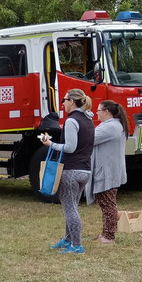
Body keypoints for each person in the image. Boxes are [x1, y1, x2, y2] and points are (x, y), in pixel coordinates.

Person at [40, 89, 94, 254]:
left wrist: (50, 144)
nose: (62, 103)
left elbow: (70, 147)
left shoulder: (72, 121)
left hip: (71, 169)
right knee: (72, 206)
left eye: (64, 100)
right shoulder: (88, 119)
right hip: (84, 170)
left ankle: (77, 245)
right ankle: (68, 239)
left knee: (70, 209)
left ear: (72, 101)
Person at [86, 100, 129, 244]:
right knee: (107, 202)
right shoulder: (115, 125)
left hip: (107, 172)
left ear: (106, 112)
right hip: (111, 170)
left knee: (108, 204)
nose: (96, 113)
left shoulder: (110, 127)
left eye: (98, 110)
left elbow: (89, 138)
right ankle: (106, 233)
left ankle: (108, 236)